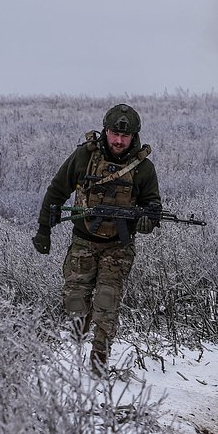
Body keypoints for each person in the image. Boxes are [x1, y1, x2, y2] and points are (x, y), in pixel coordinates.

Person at [34, 104, 162, 374]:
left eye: (124, 137)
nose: (118, 141)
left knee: (107, 302)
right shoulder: (84, 156)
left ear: (134, 137)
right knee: (75, 303)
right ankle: (80, 335)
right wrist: (44, 230)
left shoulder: (144, 168)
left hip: (119, 245)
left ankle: (98, 366)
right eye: (114, 134)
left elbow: (152, 206)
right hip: (83, 240)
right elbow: (56, 191)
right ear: (105, 131)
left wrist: (146, 222)